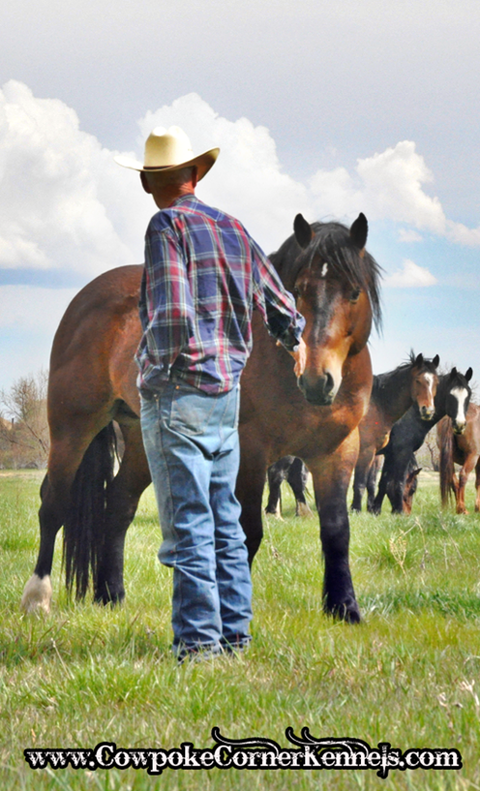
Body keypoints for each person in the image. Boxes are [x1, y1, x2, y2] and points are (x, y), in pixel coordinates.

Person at [115, 126, 306, 661]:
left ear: (153, 182)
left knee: (190, 523)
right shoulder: (234, 228)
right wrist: (294, 341)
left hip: (178, 394)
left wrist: (150, 371)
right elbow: (285, 309)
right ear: (194, 175)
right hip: (227, 396)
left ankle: (198, 646)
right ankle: (235, 638)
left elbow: (173, 316)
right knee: (224, 519)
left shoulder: (165, 225)